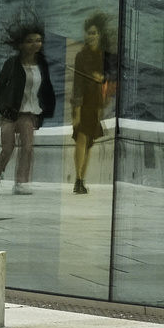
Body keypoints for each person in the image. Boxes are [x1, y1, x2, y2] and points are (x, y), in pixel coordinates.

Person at [0, 16, 55, 195]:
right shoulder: (12, 64)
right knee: (7, 148)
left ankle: (20, 183)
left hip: (28, 112)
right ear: (20, 45)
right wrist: (2, 108)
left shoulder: (42, 65)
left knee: (27, 148)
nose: (35, 45)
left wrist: (44, 112)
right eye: (29, 42)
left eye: (38, 41)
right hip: (10, 113)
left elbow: (47, 89)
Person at [70, 12, 118, 195]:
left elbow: (111, 76)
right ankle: (77, 180)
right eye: (88, 32)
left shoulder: (103, 55)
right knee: (81, 139)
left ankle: (82, 179)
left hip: (97, 102)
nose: (90, 36)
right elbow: (77, 84)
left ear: (100, 35)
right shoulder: (81, 56)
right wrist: (76, 111)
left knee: (89, 141)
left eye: (94, 33)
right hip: (84, 103)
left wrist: (103, 78)